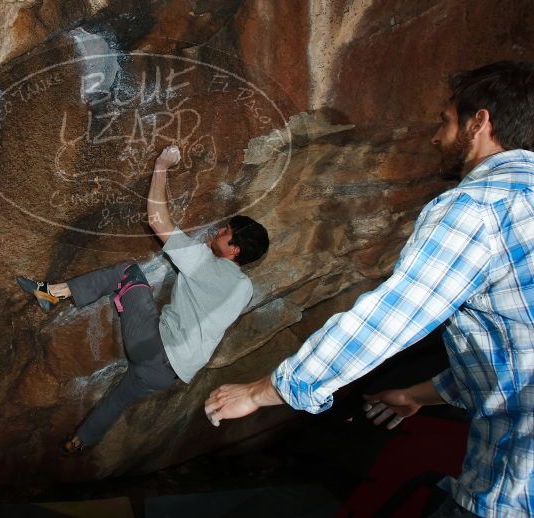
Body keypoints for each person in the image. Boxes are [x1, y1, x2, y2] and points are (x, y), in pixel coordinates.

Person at [204, 61, 534, 517]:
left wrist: (267, 391)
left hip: (514, 489)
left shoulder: (479, 207)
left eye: (445, 121)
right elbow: (518, 350)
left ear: (479, 122)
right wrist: (418, 395)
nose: (437, 138)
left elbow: (392, 316)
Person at [18, 145, 269, 455]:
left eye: (225, 231)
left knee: (126, 272)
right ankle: (80, 441)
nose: (218, 230)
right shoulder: (245, 288)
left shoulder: (206, 265)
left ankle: (52, 293)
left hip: (153, 348)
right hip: (167, 375)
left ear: (235, 249)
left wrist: (161, 165)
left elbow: (157, 220)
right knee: (120, 397)